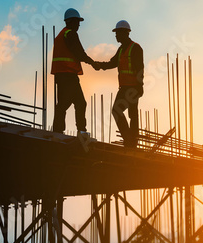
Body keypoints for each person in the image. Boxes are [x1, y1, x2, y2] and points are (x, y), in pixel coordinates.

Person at [95, 20, 144, 147]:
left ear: (124, 33)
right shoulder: (121, 49)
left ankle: (131, 141)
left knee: (131, 114)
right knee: (119, 111)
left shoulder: (135, 48)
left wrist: (140, 86)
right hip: (124, 87)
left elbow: (140, 68)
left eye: (117, 33)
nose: (116, 36)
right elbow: (113, 63)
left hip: (132, 87)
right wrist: (100, 65)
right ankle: (130, 140)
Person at [51, 8, 96, 136]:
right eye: (77, 22)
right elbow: (79, 53)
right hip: (68, 74)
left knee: (67, 103)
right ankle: (80, 131)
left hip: (61, 75)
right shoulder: (70, 34)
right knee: (76, 103)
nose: (79, 25)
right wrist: (93, 63)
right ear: (70, 21)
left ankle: (59, 130)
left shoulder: (61, 34)